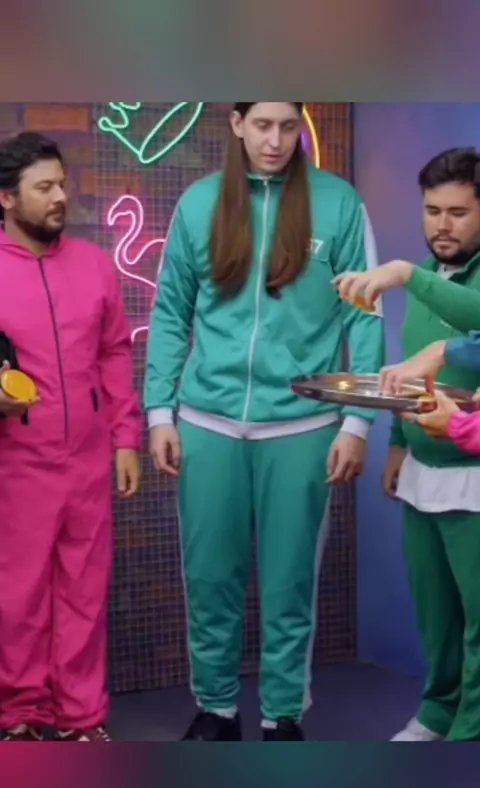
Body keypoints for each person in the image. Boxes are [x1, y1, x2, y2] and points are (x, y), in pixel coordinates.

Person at [145, 101, 385, 741]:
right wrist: (160, 412)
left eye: (287, 126)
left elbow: (365, 316)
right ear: (236, 123)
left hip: (302, 426)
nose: (276, 140)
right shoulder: (199, 204)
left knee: (289, 585)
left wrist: (357, 423)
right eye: (262, 125)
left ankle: (283, 716)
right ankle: (216, 710)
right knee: (209, 579)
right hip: (207, 421)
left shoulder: (339, 204)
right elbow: (170, 312)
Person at [0, 132, 142, 742]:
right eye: (44, 187)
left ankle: (81, 717)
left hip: (87, 460)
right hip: (16, 462)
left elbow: (115, 352)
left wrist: (126, 438)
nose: (61, 196)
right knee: (19, 595)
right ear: (7, 198)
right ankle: (20, 715)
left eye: (62, 183)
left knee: (85, 591)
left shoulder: (94, 265)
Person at [335, 147, 480, 741]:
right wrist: (397, 440)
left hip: (474, 477)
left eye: (458, 213)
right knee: (436, 613)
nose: (442, 226)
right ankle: (438, 712)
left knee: (478, 620)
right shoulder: (427, 276)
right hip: (424, 470)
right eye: (432, 211)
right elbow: (409, 369)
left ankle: (469, 732)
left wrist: (404, 274)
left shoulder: (422, 279)